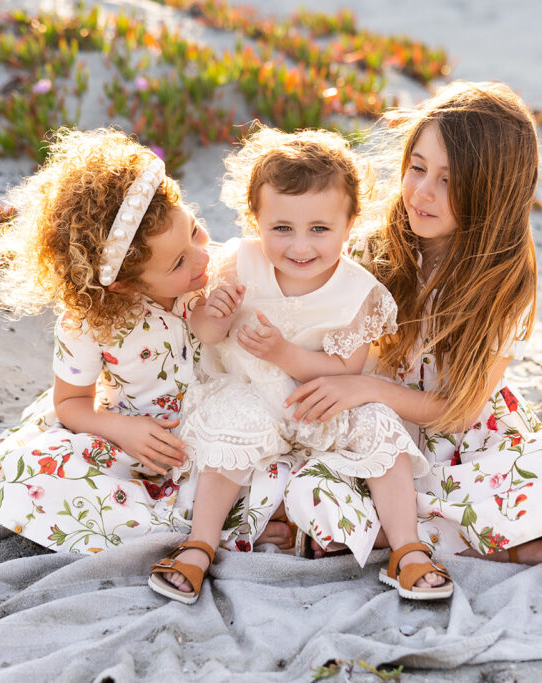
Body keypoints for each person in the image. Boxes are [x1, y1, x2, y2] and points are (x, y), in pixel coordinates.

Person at [283, 82, 542, 569]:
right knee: (309, 486)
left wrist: (367, 389)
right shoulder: (377, 247)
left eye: (450, 182)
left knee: (537, 480)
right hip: (376, 426)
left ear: (491, 193)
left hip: (460, 435)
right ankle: (479, 539)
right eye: (417, 168)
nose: (422, 193)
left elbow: (458, 412)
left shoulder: (503, 283)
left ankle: (436, 536)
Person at [148, 128, 452, 604]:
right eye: (282, 228)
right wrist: (217, 313)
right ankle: (198, 545)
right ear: (255, 220)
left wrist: (284, 354)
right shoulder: (240, 264)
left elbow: (347, 368)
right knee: (232, 420)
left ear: (350, 224)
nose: (300, 247)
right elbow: (206, 334)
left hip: (323, 402)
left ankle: (407, 548)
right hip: (253, 394)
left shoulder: (358, 292)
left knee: (379, 425)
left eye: (319, 229)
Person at [0, 129, 288, 554]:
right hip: (132, 441)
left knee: (271, 471)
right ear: (125, 285)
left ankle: (209, 522)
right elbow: (70, 403)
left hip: (213, 430)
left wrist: (222, 309)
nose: (203, 256)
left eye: (195, 230)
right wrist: (124, 430)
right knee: (34, 476)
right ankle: (201, 530)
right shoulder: (89, 323)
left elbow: (222, 333)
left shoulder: (209, 275)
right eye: (180, 261)